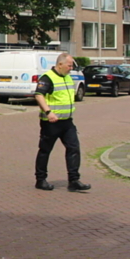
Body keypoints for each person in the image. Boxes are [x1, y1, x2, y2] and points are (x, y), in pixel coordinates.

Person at [33, 52, 89, 192]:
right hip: (51, 122)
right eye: (69, 65)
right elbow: (39, 95)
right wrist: (48, 112)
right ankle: (40, 180)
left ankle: (74, 180)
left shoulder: (68, 77)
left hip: (67, 122)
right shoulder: (47, 78)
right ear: (60, 64)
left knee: (74, 148)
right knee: (45, 150)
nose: (71, 68)